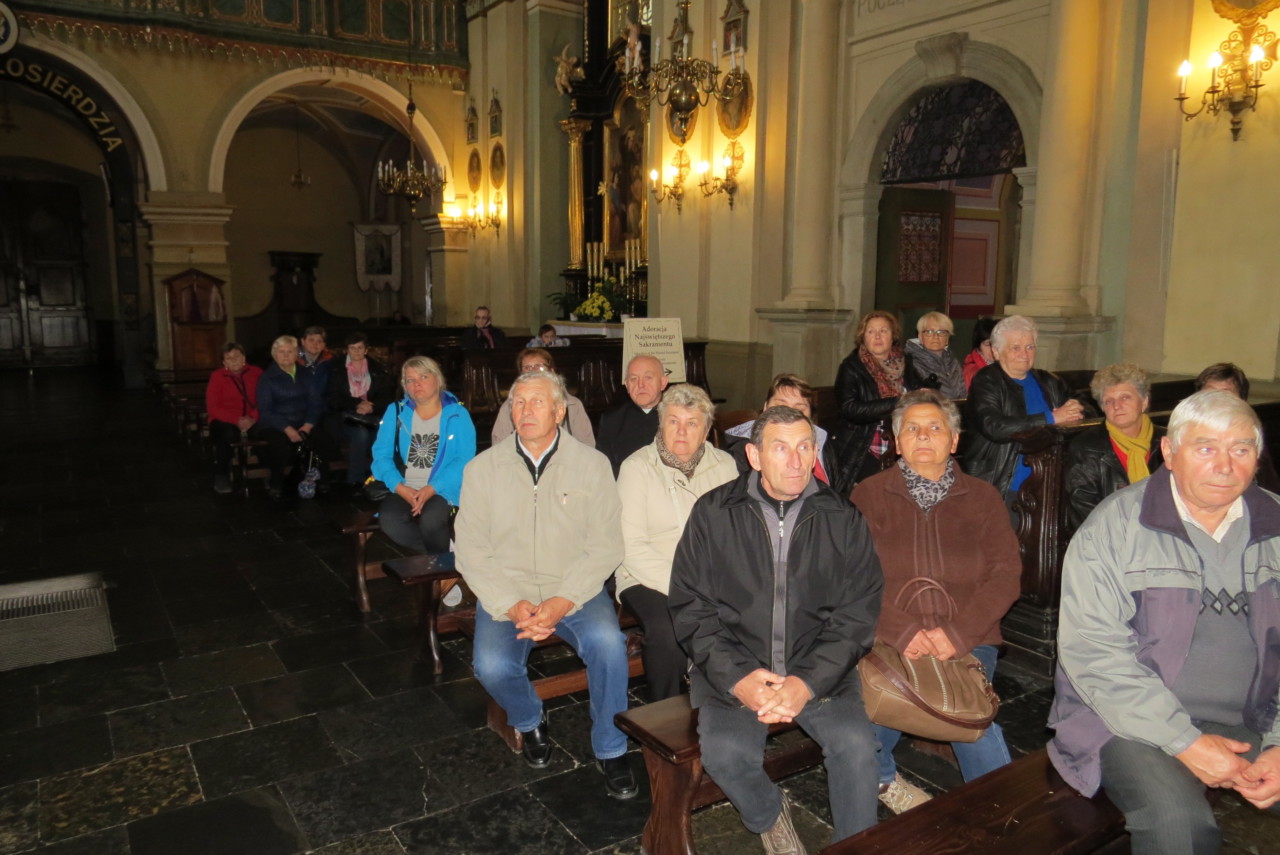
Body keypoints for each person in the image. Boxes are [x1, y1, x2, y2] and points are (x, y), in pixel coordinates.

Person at [1048, 390, 1280, 855]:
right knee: (1179, 826)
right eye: (1206, 448)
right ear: (1170, 453)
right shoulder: (1115, 527)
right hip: (1130, 722)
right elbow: (1094, 654)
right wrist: (1186, 742)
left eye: (1241, 449)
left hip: (1254, 714)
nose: (1225, 466)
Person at [669, 406, 884, 853]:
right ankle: (769, 812)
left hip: (817, 665)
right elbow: (691, 607)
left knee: (857, 748)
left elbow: (857, 614)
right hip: (735, 662)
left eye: (805, 447)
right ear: (754, 456)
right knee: (726, 754)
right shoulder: (714, 513)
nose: (796, 460)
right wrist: (738, 678)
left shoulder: (842, 517)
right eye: (781, 448)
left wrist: (807, 682)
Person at [454, 370, 637, 799]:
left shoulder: (591, 465)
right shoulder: (482, 469)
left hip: (576, 588)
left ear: (559, 412)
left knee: (609, 647)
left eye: (537, 402)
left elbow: (606, 545)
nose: (526, 410)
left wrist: (563, 600)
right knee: (491, 666)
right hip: (507, 589)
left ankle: (611, 746)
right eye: (518, 402)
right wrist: (509, 602)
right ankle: (530, 719)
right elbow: (471, 550)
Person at [850, 389, 1020, 814]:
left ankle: (1003, 815)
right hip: (889, 636)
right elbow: (853, 577)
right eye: (912, 428)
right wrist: (902, 631)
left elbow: (1006, 575)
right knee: (865, 730)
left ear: (954, 440)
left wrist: (956, 635)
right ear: (897, 442)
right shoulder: (869, 494)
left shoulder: (983, 497)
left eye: (934, 427)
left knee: (968, 716)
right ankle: (882, 778)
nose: (923, 436)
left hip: (968, 638)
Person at [615, 384, 737, 701]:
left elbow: (734, 534)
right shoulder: (637, 468)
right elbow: (631, 547)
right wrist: (686, 586)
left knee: (746, 615)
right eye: (673, 421)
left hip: (710, 577)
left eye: (691, 423)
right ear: (660, 423)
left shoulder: (724, 466)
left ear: (707, 430)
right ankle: (663, 711)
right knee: (668, 631)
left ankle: (728, 703)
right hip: (647, 576)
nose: (681, 431)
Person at [962, 315, 1085, 500]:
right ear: (996, 351)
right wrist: (1051, 418)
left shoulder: (1048, 381)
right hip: (1001, 483)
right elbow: (994, 426)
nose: (1024, 354)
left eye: (1030, 347)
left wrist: (1077, 408)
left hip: (1050, 483)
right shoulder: (986, 381)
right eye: (1015, 348)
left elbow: (1088, 408)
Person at [372, 356, 475, 554]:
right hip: (405, 485)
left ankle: (439, 564)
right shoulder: (396, 412)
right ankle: (443, 558)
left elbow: (464, 459)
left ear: (438, 379)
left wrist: (432, 488)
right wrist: (400, 487)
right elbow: (381, 456)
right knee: (390, 520)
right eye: (410, 380)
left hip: (443, 487)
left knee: (431, 520)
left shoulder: (457, 414)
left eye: (423, 377)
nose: (417, 384)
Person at [831, 310, 930, 495]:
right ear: (863, 338)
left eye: (883, 331)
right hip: (864, 444)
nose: (877, 336)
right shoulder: (851, 367)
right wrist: (898, 402)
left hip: (903, 440)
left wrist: (924, 393)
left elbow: (916, 394)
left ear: (893, 336)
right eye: (871, 332)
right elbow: (849, 409)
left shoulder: (905, 362)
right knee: (879, 495)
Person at [1064, 363, 1165, 529]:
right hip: (1110, 537)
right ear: (1102, 408)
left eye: (1125, 397)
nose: (1117, 406)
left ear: (1144, 401)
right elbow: (1085, 511)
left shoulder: (1168, 441)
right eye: (1109, 401)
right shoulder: (1086, 447)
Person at [722, 373, 839, 485]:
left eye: (799, 410)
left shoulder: (821, 442)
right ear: (765, 407)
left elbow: (838, 488)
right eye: (781, 407)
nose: (789, 415)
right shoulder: (741, 453)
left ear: (811, 416)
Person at [256, 334, 336, 499]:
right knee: (280, 446)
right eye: (281, 352)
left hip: (303, 422)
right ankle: (276, 483)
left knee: (322, 440)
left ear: (296, 354)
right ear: (274, 354)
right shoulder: (267, 378)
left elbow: (315, 403)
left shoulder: (305, 374)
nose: (286, 355)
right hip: (276, 424)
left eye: (290, 351)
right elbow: (266, 410)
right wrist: (287, 429)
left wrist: (308, 425)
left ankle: (323, 482)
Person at [1194, 362, 1279, 492]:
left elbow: (1268, 488)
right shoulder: (1186, 433)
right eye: (1209, 394)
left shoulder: (1251, 438)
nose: (1216, 402)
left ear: (1241, 402)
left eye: (1225, 396)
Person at [324, 332, 395, 488]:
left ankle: (381, 477)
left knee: (382, 433)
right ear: (346, 350)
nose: (356, 351)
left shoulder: (377, 369)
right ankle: (356, 479)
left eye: (360, 348)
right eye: (352, 348)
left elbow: (386, 397)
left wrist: (371, 406)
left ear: (366, 350)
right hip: (344, 416)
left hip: (371, 415)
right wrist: (357, 404)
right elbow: (332, 398)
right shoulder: (336, 369)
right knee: (360, 434)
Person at [490, 348, 594, 447]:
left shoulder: (572, 405)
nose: (532, 371)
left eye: (538, 366)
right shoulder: (510, 406)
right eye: (527, 368)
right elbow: (499, 446)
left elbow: (586, 446)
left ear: (551, 371)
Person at [597, 353, 670, 476]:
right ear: (627, 385)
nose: (640, 385)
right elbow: (603, 470)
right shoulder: (611, 421)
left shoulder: (679, 419)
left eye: (648, 378)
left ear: (663, 383)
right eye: (633, 379)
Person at [205, 342, 263, 494]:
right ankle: (221, 474)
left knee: (266, 431)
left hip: (252, 418)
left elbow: (265, 400)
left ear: (244, 358)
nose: (234, 360)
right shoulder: (217, 376)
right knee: (228, 434)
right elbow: (213, 407)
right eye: (229, 358)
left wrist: (252, 418)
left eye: (237, 356)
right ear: (224, 362)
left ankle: (268, 469)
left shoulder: (256, 372)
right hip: (224, 419)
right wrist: (237, 420)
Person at [905, 311, 966, 399]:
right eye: (930, 332)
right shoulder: (912, 362)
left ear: (947, 338)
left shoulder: (953, 362)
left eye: (942, 332)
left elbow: (963, 392)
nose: (936, 336)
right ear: (920, 336)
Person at [962, 317, 999, 391]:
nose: (993, 349)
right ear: (978, 347)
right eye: (988, 345)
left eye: (996, 343)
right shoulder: (972, 373)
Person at [297, 325, 335, 396]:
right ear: (303, 341)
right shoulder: (292, 360)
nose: (315, 344)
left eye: (319, 341)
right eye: (311, 340)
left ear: (324, 345)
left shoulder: (331, 363)